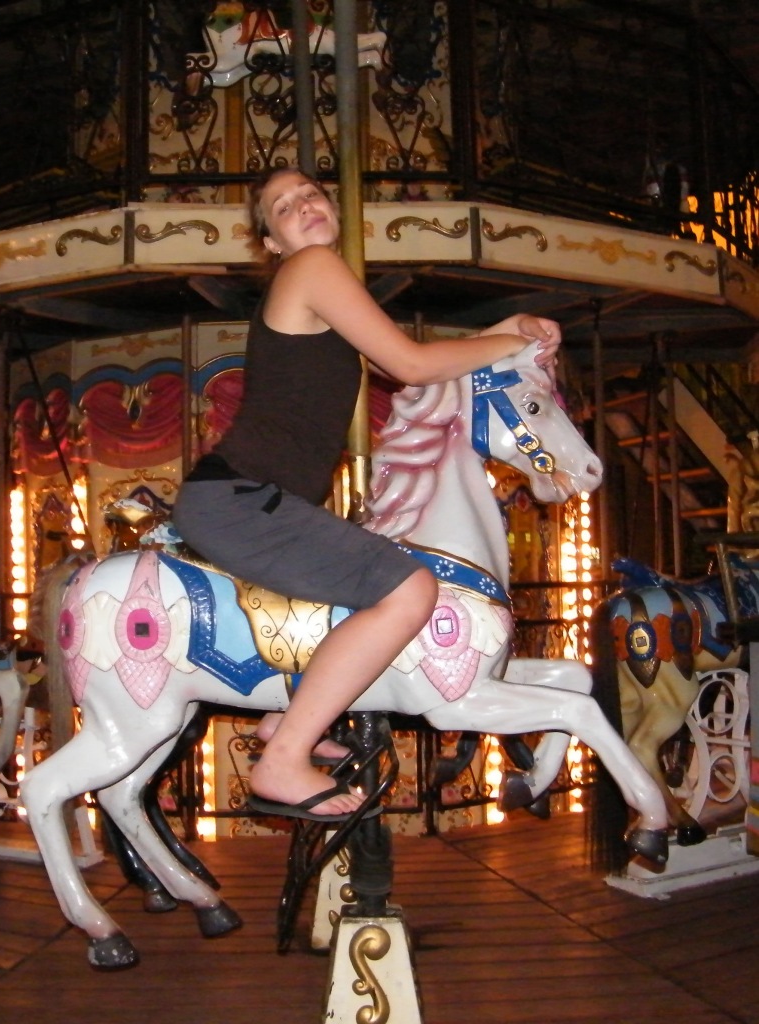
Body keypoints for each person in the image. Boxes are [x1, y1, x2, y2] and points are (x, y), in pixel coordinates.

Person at [172, 166, 561, 821]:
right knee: (409, 590)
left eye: (311, 194)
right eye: (283, 207)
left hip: (246, 497)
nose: (304, 205)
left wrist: (507, 330)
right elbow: (411, 364)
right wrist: (513, 339)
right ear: (271, 242)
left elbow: (398, 363)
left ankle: (286, 719)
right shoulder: (312, 266)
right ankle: (283, 758)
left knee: (357, 585)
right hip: (238, 498)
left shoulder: (318, 288)